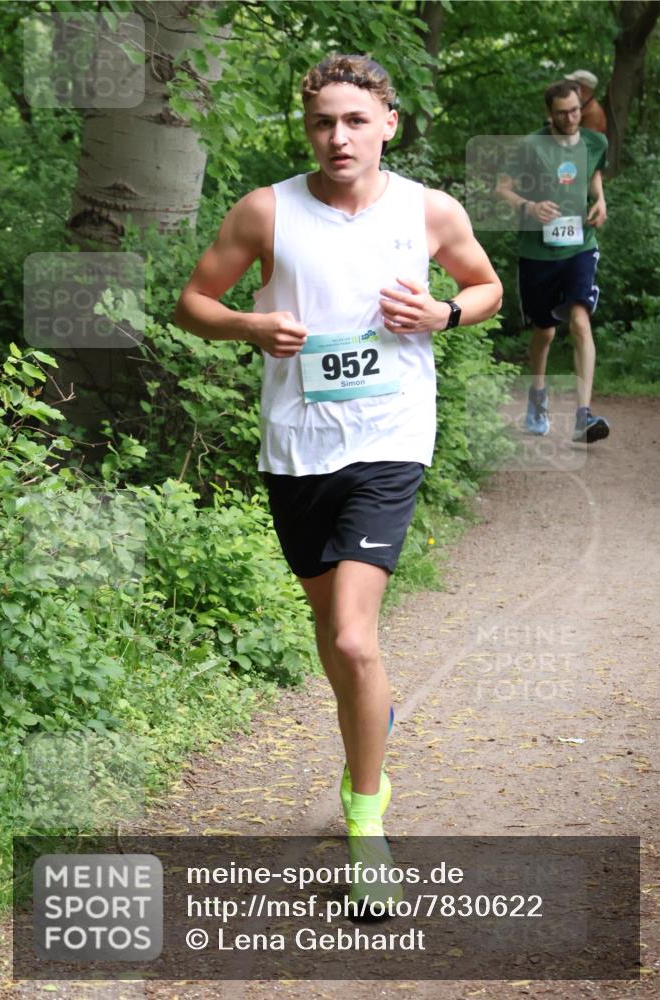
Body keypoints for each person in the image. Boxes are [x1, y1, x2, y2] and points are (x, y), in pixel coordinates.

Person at [174, 54, 502, 905]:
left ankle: (367, 819)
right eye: (323, 121)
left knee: (355, 638)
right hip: (296, 446)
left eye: (355, 120)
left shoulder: (427, 210)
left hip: (391, 438)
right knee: (332, 630)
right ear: (307, 128)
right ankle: (367, 722)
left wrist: (444, 314)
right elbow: (193, 304)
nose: (338, 136)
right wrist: (248, 324)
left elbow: (486, 285)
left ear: (389, 122)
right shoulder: (266, 211)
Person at [496, 80, 609, 443]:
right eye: (563, 112)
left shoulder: (595, 142)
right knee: (544, 331)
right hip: (538, 252)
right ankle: (538, 396)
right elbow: (502, 188)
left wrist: (600, 201)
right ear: (550, 114)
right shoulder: (530, 146)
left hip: (579, 246)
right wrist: (529, 207)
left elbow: (593, 173)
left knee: (579, 319)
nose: (572, 117)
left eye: (576, 109)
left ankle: (583, 415)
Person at [565, 69, 607, 134]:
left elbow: (586, 142)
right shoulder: (583, 104)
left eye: (571, 84)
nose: (567, 86)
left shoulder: (593, 113)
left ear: (582, 88)